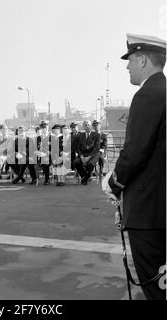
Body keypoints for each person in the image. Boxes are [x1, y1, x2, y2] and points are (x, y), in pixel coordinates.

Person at [102, 33, 166, 300]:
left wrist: (113, 183)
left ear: (142, 60)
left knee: (155, 286)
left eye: (129, 60)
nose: (127, 66)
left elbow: (136, 152)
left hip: (150, 214)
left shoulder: (147, 95)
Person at [73, 120, 100, 185]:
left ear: (90, 126)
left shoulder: (96, 135)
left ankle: (86, 178)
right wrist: (81, 157)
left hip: (93, 154)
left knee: (90, 164)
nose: (87, 126)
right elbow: (77, 148)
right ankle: (84, 176)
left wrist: (89, 157)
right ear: (83, 127)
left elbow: (96, 148)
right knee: (76, 162)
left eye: (88, 125)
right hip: (83, 154)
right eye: (85, 125)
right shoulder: (80, 136)